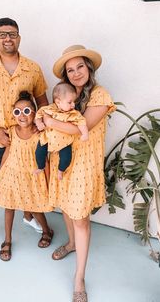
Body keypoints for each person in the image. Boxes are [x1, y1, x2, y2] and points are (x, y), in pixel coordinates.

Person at [43, 45, 116, 302]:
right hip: (64, 163)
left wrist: (51, 123)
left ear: (89, 67)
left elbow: (81, 128)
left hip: (85, 167)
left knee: (81, 219)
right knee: (66, 207)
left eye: (80, 67)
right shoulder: (65, 96)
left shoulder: (100, 95)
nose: (76, 73)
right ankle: (72, 244)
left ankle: (79, 277)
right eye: (70, 70)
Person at [0, 17, 48, 248]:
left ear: (19, 37)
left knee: (28, 181)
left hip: (27, 140)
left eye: (12, 34)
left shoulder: (32, 68)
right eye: (2, 34)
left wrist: (37, 129)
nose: (8, 38)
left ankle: (28, 216)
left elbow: (42, 103)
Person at [0, 91, 54, 261]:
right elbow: (6, 154)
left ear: (34, 112)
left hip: (32, 176)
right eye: (17, 112)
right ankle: (7, 240)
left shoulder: (40, 134)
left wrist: (48, 183)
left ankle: (47, 231)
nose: (22, 116)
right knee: (8, 207)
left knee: (34, 208)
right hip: (12, 174)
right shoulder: (11, 131)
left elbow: (45, 161)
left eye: (26, 111)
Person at [34, 82, 88, 180]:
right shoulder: (48, 109)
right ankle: (40, 167)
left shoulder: (73, 114)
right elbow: (38, 115)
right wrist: (39, 124)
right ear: (58, 102)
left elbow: (82, 122)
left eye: (74, 102)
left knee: (66, 158)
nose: (73, 105)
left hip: (64, 141)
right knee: (39, 153)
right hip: (47, 138)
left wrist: (84, 133)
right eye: (70, 102)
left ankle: (60, 170)